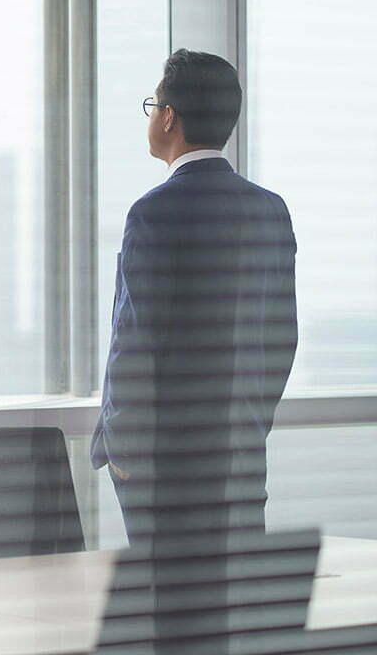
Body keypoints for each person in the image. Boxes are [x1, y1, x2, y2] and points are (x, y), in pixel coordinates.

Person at [90, 49, 298, 550]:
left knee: (169, 605)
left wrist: (123, 448)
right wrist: (247, 424)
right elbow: (281, 339)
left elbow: (135, 338)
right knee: (232, 604)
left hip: (163, 463)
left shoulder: (154, 212)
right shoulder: (270, 211)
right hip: (239, 456)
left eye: (152, 105)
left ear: (169, 117)